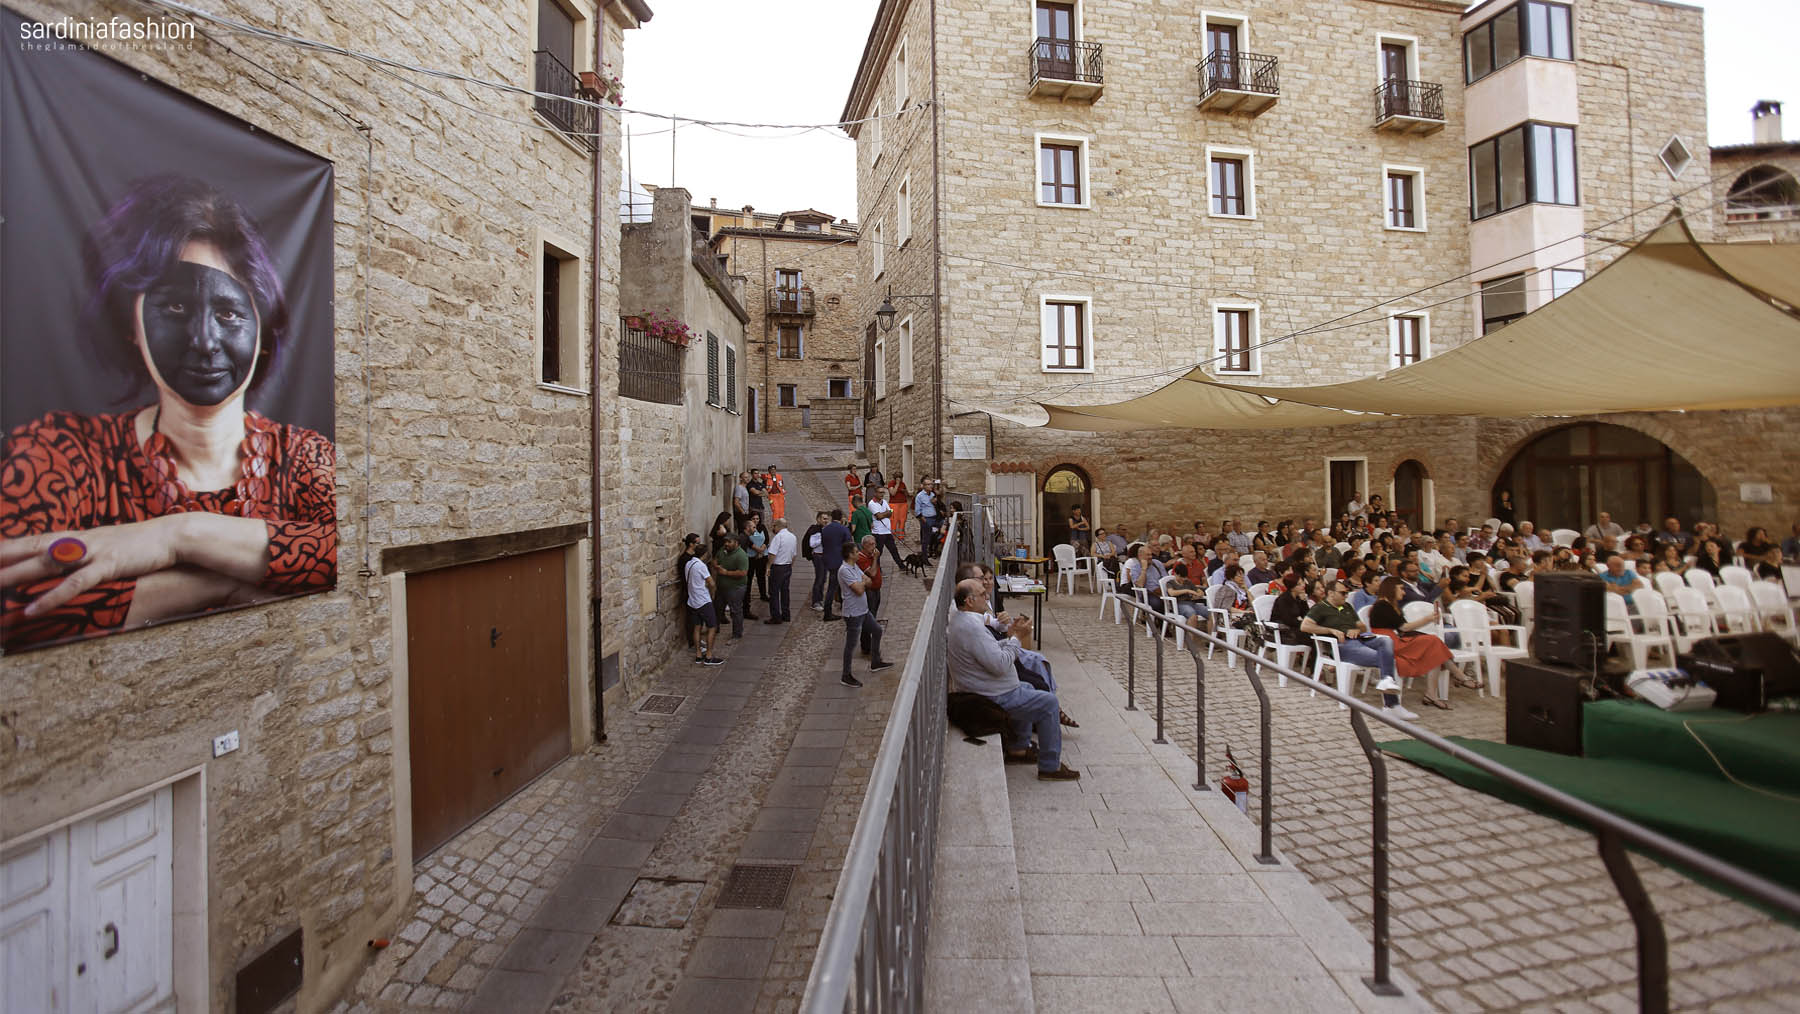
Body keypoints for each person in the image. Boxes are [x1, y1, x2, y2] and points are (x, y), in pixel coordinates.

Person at [1, 176, 337, 652]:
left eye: (228, 313)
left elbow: (348, 549)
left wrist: (177, 535)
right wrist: (217, 585)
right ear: (131, 326)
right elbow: (18, 609)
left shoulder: (304, 457)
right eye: (176, 306)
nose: (204, 341)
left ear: (261, 333)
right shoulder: (61, 454)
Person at [947, 578, 1079, 781]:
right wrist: (1017, 638)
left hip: (988, 688)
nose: (987, 596)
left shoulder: (964, 620)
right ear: (969, 601)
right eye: (983, 594)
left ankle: (1019, 748)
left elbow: (988, 652)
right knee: (1049, 703)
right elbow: (1000, 665)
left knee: (1027, 685)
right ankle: (1049, 767)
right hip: (993, 694)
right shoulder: (972, 628)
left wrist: (1010, 639)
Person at [1303, 580, 1411, 719]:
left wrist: (1355, 629)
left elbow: (1362, 627)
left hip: (1360, 638)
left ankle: (1387, 681)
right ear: (1330, 593)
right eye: (1343, 593)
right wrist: (1331, 630)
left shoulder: (1346, 606)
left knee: (1386, 640)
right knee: (1386, 658)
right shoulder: (1320, 607)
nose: (1346, 596)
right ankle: (1392, 705)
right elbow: (1305, 626)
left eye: (1347, 593)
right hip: (1342, 645)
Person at [1369, 577, 1456, 711]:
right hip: (1390, 644)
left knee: (1433, 647)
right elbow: (1404, 627)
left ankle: (1433, 694)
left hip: (1395, 640)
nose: (1404, 593)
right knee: (1433, 641)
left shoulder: (1390, 605)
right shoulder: (1382, 605)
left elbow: (1401, 628)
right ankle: (1457, 676)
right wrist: (1427, 619)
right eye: (1401, 589)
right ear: (1392, 589)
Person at [837, 540, 894, 687]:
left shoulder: (854, 566)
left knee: (877, 630)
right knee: (851, 645)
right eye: (856, 552)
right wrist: (862, 582)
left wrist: (862, 582)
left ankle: (875, 660)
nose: (858, 553)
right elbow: (860, 589)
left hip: (863, 610)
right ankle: (846, 674)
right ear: (850, 554)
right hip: (853, 613)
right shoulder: (844, 570)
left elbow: (869, 580)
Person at [684, 543, 725, 666]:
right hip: (703, 600)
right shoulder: (701, 566)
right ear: (705, 554)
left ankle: (698, 654)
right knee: (712, 627)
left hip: (692, 601)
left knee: (697, 627)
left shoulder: (689, 564)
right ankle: (709, 656)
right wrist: (712, 595)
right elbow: (711, 583)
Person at [712, 532, 750, 639]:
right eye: (725, 541)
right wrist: (715, 565)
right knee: (717, 609)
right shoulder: (723, 550)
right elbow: (715, 560)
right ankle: (715, 629)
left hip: (735, 588)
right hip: (721, 587)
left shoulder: (741, 555)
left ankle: (737, 633)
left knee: (735, 611)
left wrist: (726, 573)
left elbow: (742, 573)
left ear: (736, 543)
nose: (726, 544)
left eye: (729, 542)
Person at [819, 508, 854, 621]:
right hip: (839, 560)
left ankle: (838, 606)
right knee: (836, 586)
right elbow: (849, 545)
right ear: (841, 518)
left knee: (834, 585)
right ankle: (828, 612)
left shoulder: (825, 529)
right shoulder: (843, 529)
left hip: (828, 559)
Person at [765, 518, 796, 624]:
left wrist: (768, 567)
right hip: (787, 566)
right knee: (785, 591)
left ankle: (776, 617)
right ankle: (786, 614)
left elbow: (772, 553)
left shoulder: (778, 537)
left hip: (778, 567)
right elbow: (794, 555)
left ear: (778, 526)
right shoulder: (793, 537)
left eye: (774, 526)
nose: (773, 528)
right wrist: (790, 565)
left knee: (773, 592)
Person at [869, 486, 905, 569]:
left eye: (883, 492)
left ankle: (901, 565)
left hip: (887, 531)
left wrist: (884, 513)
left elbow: (891, 511)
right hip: (878, 532)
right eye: (880, 492)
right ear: (875, 493)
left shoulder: (884, 501)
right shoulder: (872, 504)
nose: (882, 494)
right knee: (878, 552)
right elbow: (879, 516)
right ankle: (877, 568)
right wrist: (886, 513)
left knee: (893, 549)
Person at [802, 510, 830, 611]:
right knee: (819, 578)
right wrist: (823, 538)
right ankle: (815, 602)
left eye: (827, 519)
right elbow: (812, 544)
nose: (826, 521)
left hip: (825, 556)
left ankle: (820, 598)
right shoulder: (815, 530)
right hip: (818, 556)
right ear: (818, 519)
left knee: (823, 579)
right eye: (824, 518)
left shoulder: (825, 529)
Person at [743, 515, 769, 611]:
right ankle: (747, 596)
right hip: (751, 556)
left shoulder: (762, 527)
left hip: (762, 556)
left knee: (761, 576)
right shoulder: (747, 530)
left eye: (757, 518)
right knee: (749, 576)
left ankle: (763, 594)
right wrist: (757, 549)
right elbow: (748, 542)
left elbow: (766, 539)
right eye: (753, 519)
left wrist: (762, 549)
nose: (755, 520)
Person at [914, 479, 939, 559]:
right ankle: (924, 557)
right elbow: (917, 510)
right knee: (926, 539)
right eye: (928, 484)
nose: (930, 486)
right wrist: (922, 518)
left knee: (937, 535)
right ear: (924, 486)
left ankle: (933, 551)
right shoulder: (920, 496)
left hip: (935, 518)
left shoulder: (932, 494)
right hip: (926, 519)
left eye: (931, 484)